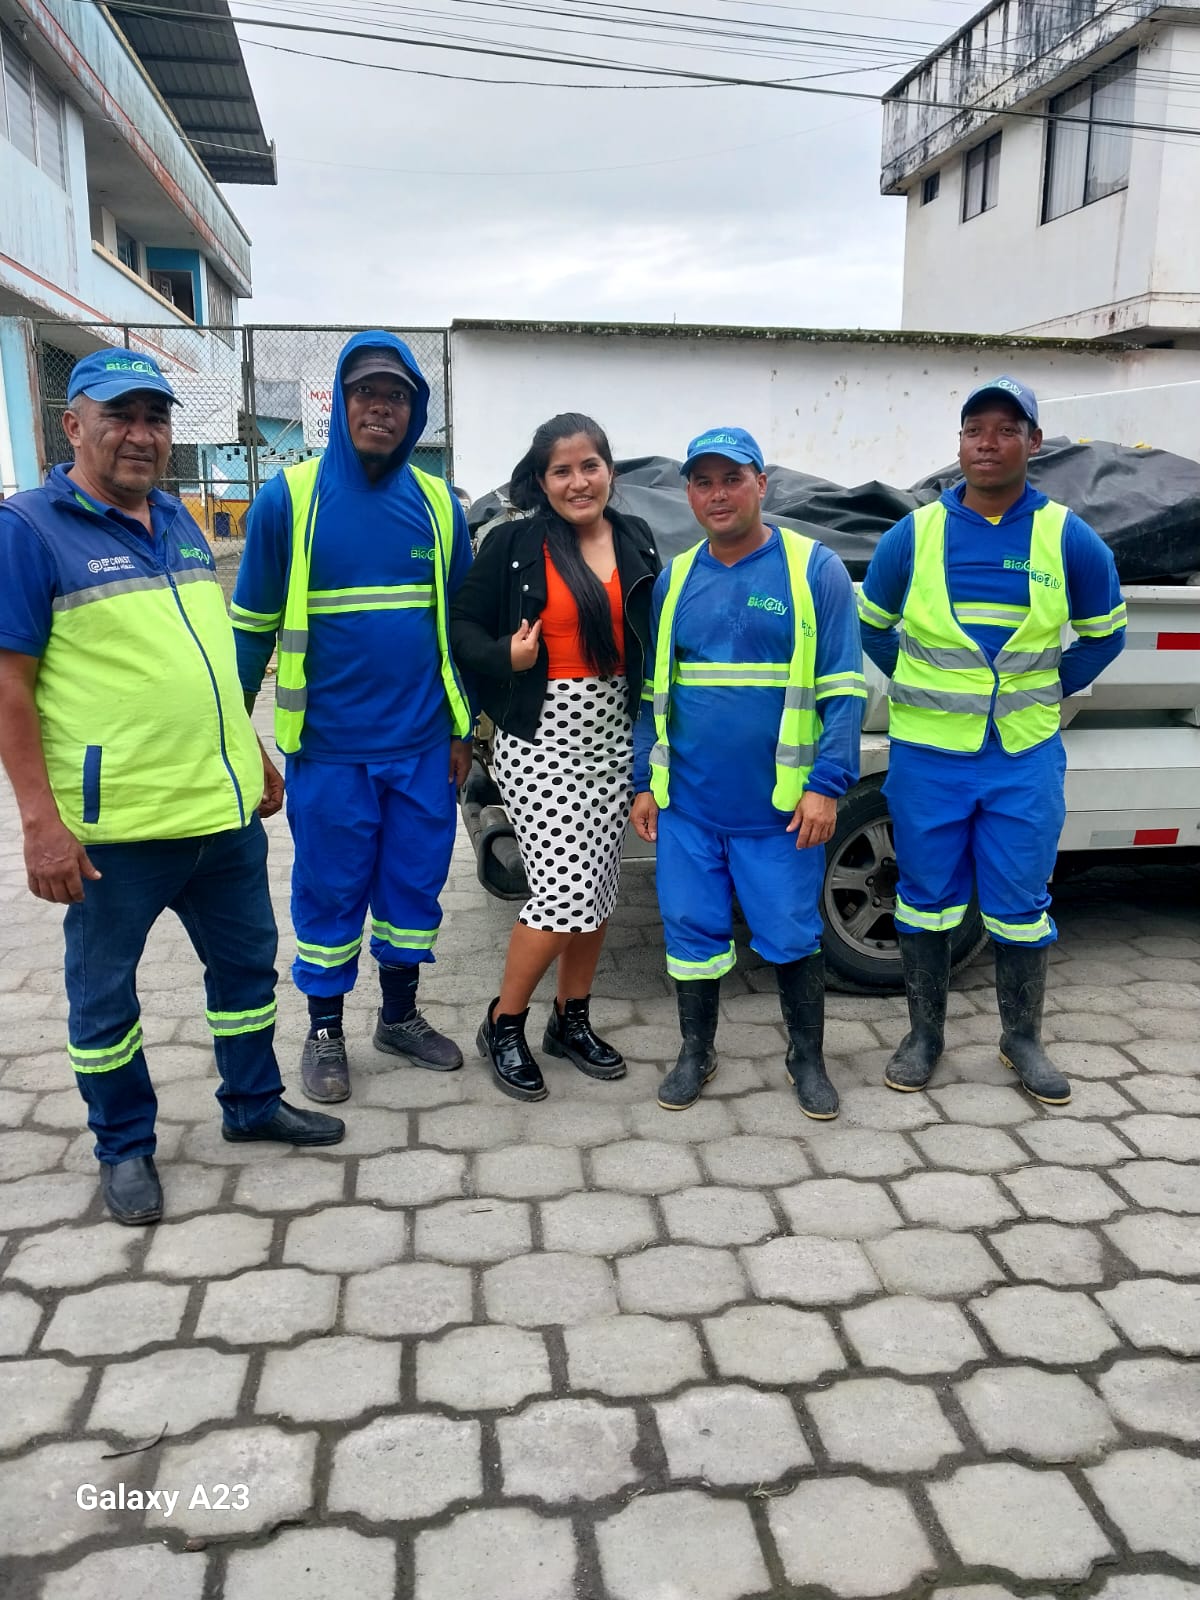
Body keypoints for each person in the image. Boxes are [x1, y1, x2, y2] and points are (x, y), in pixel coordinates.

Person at [0, 349, 344, 1226]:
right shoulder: (29, 530)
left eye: (154, 418)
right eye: (119, 415)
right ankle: (124, 1146)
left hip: (220, 815)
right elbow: (9, 686)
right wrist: (39, 823)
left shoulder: (179, 519)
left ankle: (252, 1103)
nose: (140, 434)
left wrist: (251, 755)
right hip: (117, 832)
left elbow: (203, 659)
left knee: (246, 970)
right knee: (104, 994)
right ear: (72, 425)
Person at [859, 377, 1127, 1105]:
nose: (988, 442)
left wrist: (1046, 689)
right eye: (975, 428)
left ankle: (1022, 1041)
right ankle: (924, 1038)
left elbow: (1106, 636)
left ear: (1033, 443)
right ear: (960, 443)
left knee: (1020, 904)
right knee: (923, 901)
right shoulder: (912, 535)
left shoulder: (1067, 537)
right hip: (929, 760)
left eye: (1007, 429)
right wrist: (922, 687)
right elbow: (873, 628)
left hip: (1022, 758)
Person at [231, 332, 474, 1104]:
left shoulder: (439, 506)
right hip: (329, 751)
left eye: (397, 396)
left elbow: (462, 627)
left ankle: (398, 1018)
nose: (380, 407)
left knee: (412, 890)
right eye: (366, 391)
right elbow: (250, 632)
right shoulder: (290, 500)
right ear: (340, 402)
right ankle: (325, 1030)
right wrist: (237, 742)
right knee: (330, 893)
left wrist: (464, 729)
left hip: (422, 749)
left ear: (415, 412)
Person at [630, 427, 866, 1119]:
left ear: (762, 484)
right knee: (690, 934)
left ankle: (806, 1060)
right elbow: (653, 692)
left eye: (732, 478)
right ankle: (695, 1052)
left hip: (779, 813)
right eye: (702, 482)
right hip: (689, 809)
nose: (717, 494)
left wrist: (827, 785)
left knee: (791, 935)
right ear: (689, 494)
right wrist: (644, 781)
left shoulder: (813, 569)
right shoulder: (675, 579)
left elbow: (844, 689)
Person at [450, 414, 660, 1100]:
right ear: (541, 481)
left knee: (599, 891)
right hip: (540, 739)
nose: (578, 481)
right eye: (561, 471)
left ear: (611, 471)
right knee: (565, 892)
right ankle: (503, 1023)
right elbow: (459, 626)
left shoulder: (634, 537)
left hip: (613, 737)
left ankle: (571, 1021)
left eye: (589, 466)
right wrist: (504, 657)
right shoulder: (514, 543)